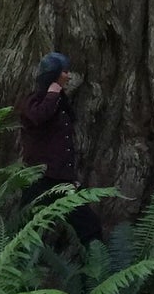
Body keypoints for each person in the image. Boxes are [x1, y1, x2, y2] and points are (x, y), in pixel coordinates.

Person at [18, 50, 102, 244]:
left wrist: (70, 178)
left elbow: (63, 143)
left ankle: (95, 271)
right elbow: (39, 116)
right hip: (39, 179)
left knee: (89, 227)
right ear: (52, 73)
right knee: (24, 232)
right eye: (63, 71)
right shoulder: (34, 101)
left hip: (61, 181)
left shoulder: (59, 104)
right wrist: (52, 93)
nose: (68, 75)